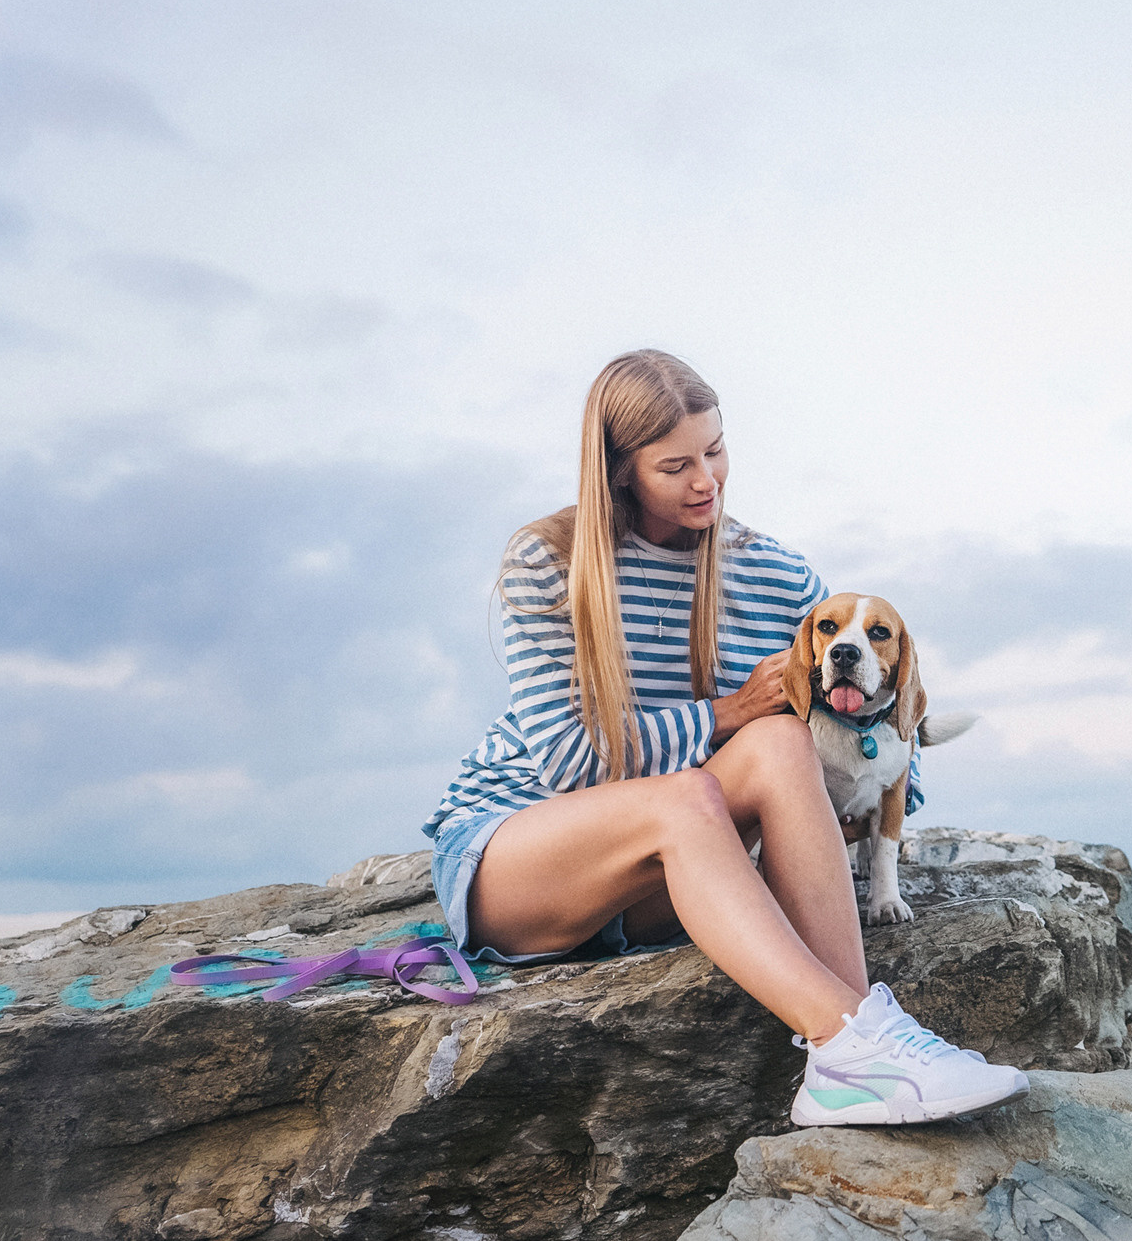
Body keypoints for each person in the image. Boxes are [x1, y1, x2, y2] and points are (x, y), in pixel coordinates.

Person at [423, 349, 1027, 1126]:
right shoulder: (551, 560)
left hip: (675, 875)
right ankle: (848, 1036)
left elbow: (867, 727)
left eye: (715, 451)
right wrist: (725, 714)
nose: (706, 481)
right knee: (696, 788)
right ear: (618, 471)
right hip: (521, 859)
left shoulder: (777, 575)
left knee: (784, 748)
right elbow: (572, 763)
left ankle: (856, 1058)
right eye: (676, 465)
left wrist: (843, 800)